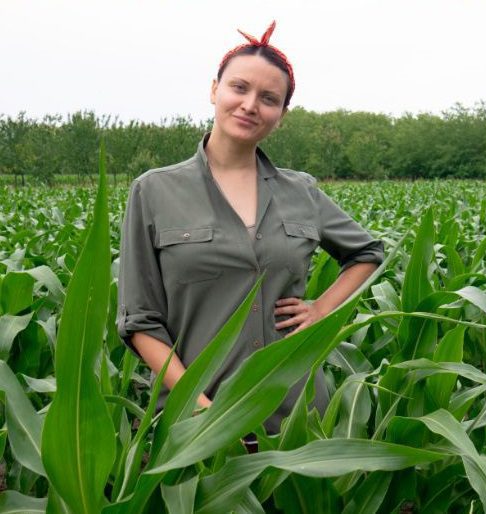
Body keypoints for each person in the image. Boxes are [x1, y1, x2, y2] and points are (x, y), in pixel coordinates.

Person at [116, 21, 384, 439]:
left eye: (268, 98)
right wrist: (199, 407)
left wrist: (322, 308)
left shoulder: (302, 192)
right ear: (214, 90)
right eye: (239, 88)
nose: (250, 105)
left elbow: (367, 252)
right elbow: (140, 320)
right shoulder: (154, 191)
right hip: (199, 418)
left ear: (281, 114)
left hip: (298, 415)